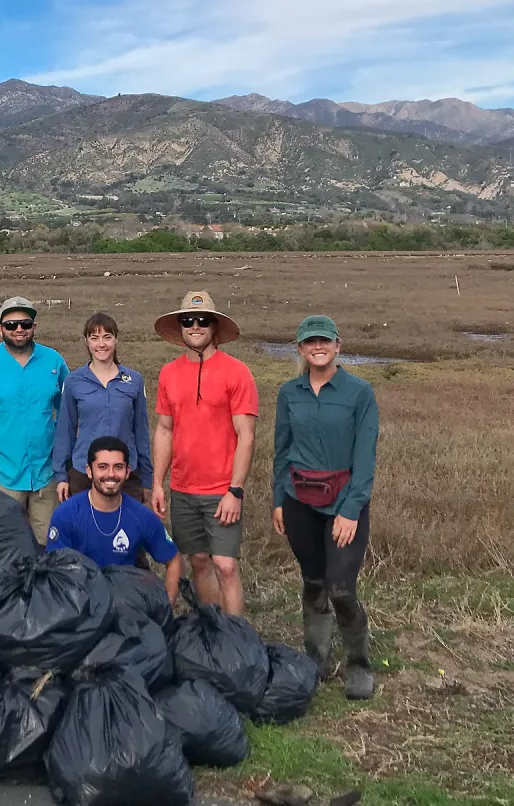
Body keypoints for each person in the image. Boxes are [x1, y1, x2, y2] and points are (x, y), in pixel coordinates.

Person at [273, 315, 380, 700]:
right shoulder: (289, 393)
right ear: (300, 349)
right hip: (298, 500)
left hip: (342, 502)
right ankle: (315, 659)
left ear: (338, 345)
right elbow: (281, 451)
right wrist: (278, 501)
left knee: (340, 586)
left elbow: (365, 459)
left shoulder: (359, 392)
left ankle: (359, 663)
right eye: (309, 342)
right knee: (313, 581)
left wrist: (350, 510)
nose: (317, 347)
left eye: (324, 341)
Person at [150, 290, 258, 616]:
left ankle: (236, 640)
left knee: (225, 565)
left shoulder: (237, 372)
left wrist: (235, 490)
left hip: (221, 489)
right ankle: (212, 630)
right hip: (183, 488)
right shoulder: (169, 373)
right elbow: (165, 430)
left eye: (202, 321)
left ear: (214, 327)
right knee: (197, 561)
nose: (194, 326)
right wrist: (158, 482)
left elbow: (246, 435)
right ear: (180, 327)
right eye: (187, 321)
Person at [0, 296, 69, 542]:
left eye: (25, 324)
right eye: (11, 324)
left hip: (45, 475)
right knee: (2, 546)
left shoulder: (54, 362)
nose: (19, 329)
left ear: (34, 327)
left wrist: (60, 443)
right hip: (2, 473)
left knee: (49, 546)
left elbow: (69, 408)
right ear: (0, 329)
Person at [46, 436, 181, 601]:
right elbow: (54, 573)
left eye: (118, 467)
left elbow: (174, 561)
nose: (110, 474)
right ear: (89, 471)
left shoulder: (141, 516)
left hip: (127, 604)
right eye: (102, 467)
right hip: (80, 606)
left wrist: (166, 609)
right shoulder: (65, 515)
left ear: (127, 472)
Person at [53, 311, 152, 506]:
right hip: (84, 472)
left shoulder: (134, 381)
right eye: (95, 338)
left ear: (116, 340)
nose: (101, 344)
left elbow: (141, 431)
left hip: (126, 472)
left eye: (107, 337)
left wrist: (147, 478)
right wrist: (61, 476)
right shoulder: (74, 381)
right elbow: (66, 430)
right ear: (86, 342)